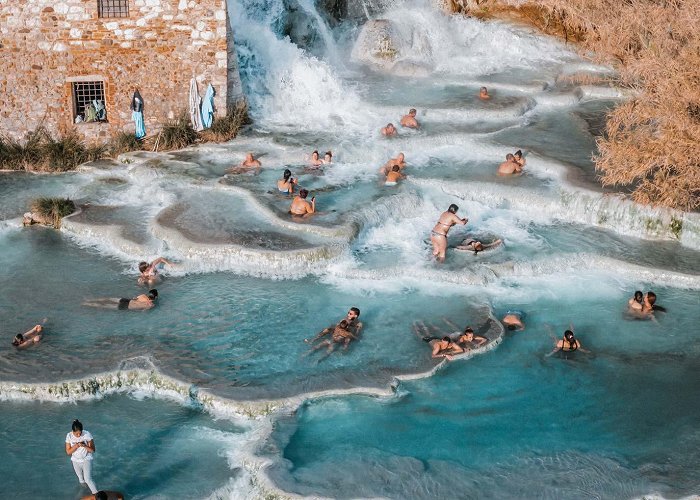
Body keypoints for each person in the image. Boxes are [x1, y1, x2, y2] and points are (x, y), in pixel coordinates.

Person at [65, 419, 98, 495]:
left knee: (88, 479)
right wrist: (76, 445)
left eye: (80, 433)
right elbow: (68, 452)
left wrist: (84, 445)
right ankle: (84, 491)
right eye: (77, 434)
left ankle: (96, 494)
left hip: (86, 458)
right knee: (80, 478)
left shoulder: (87, 434)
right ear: (72, 431)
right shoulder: (69, 436)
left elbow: (92, 450)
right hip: (75, 460)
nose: (79, 435)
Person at [83, 289, 158, 310]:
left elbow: (134, 298)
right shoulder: (151, 305)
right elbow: (143, 312)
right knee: (105, 305)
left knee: (108, 299)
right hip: (125, 307)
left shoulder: (143, 295)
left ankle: (89, 300)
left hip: (126, 300)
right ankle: (86, 304)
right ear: (156, 297)